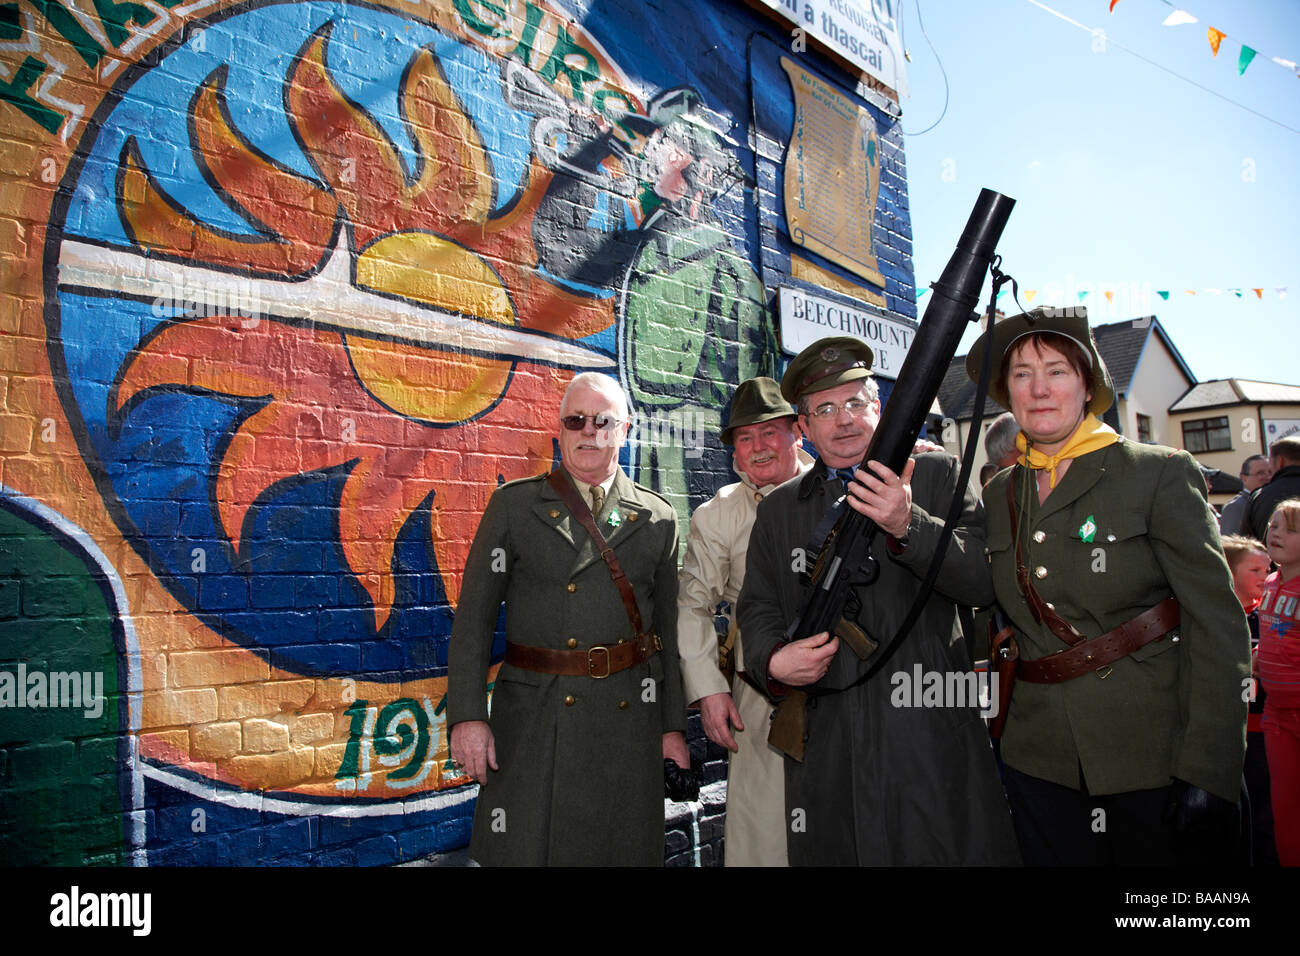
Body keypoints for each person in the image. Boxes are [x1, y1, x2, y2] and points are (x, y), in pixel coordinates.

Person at [968, 307, 1250, 865]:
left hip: (1151, 753)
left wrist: (1209, 766)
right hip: (1037, 759)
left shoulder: (1157, 471)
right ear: (1007, 393)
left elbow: (1216, 622)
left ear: (1088, 384)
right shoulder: (1001, 493)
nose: (1040, 388)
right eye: (1022, 374)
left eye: (1057, 370)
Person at [737, 336, 1018, 865]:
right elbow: (757, 608)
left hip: (929, 735)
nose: (842, 421)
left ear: (879, 409)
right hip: (827, 741)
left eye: (854, 404)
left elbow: (984, 582)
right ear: (804, 428)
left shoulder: (937, 477)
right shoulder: (779, 511)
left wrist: (906, 523)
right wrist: (774, 660)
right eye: (824, 409)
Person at [447, 372, 689, 865]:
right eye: (575, 420)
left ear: (624, 429)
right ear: (559, 430)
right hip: (537, 721)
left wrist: (671, 729)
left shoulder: (657, 517)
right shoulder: (514, 506)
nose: (589, 432)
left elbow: (667, 634)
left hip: (628, 722)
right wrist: (469, 717)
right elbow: (474, 620)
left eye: (603, 421)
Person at [676, 376, 812, 867]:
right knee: (763, 828)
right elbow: (693, 604)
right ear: (733, 452)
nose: (758, 448)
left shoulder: (840, 489)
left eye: (769, 432)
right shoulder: (717, 516)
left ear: (797, 432)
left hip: (848, 679)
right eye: (744, 438)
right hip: (760, 688)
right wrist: (710, 690)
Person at [1222, 533, 1277, 865]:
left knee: (1265, 809)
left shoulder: (1268, 616)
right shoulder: (1220, 617)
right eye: (1255, 570)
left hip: (1264, 730)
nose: (1264, 577)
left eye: (1267, 569)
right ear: (1229, 571)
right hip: (1228, 730)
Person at [1258, 500, 1300, 865]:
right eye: (1273, 526)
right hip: (1276, 714)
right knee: (1284, 806)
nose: (1276, 534)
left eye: (1289, 529)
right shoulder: (1270, 582)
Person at [1247, 437, 1300, 543]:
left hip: (1271, 558)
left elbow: (1248, 542)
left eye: (1270, 462)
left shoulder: (1259, 496)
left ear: (1281, 461)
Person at [1219, 454, 1272, 535]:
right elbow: (1231, 542)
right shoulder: (1235, 507)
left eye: (1270, 472)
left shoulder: (1270, 500)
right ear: (1244, 478)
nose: (1268, 477)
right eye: (1260, 473)